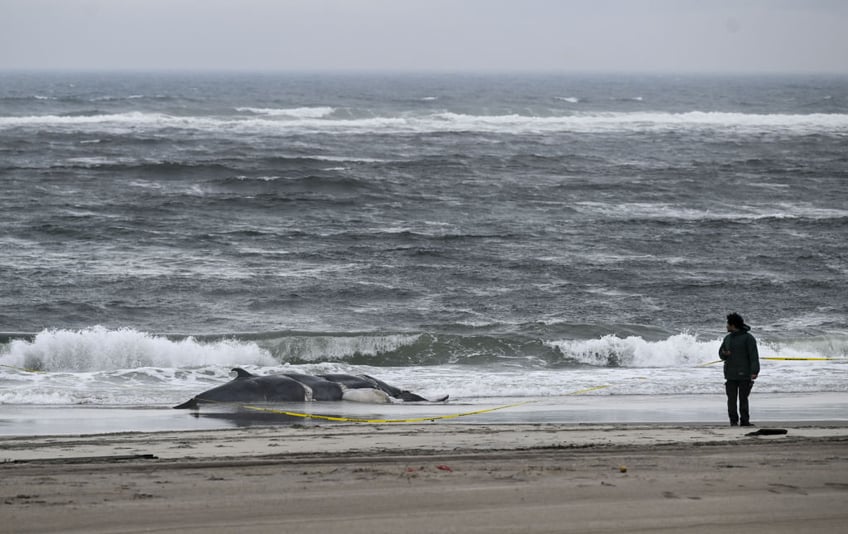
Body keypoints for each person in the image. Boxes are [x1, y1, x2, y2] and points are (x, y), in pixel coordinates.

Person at [719, 312, 760, 426]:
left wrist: (754, 371)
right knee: (731, 400)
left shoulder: (748, 338)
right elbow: (721, 355)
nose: (726, 326)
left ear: (733, 325)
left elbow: (753, 356)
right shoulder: (727, 338)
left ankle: (745, 421)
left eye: (728, 324)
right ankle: (733, 421)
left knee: (743, 399)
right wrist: (725, 354)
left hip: (745, 374)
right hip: (730, 374)